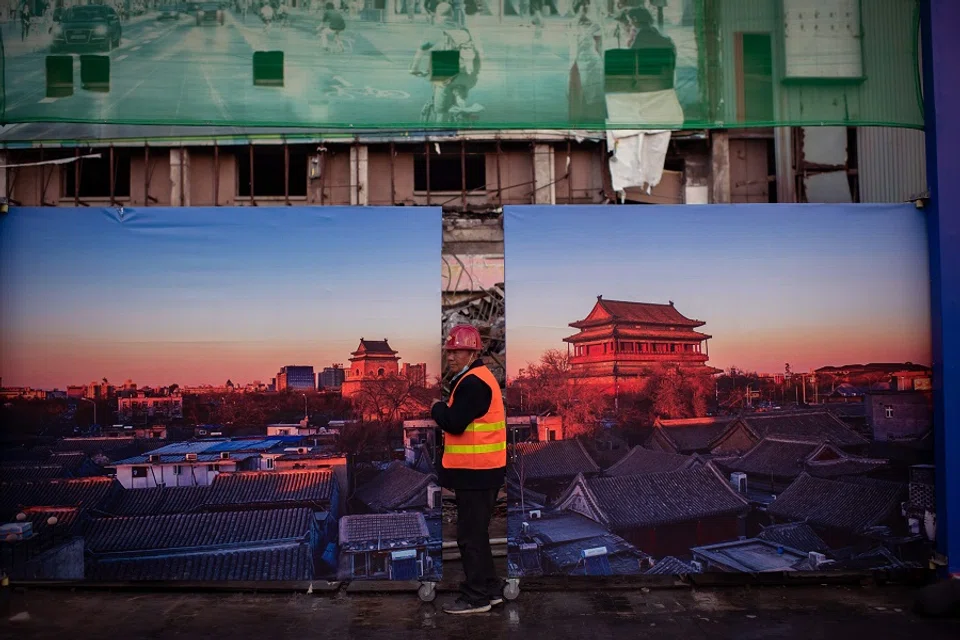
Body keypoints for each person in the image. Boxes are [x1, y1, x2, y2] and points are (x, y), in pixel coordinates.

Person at [431, 324, 506, 615]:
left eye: (457, 350)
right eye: (449, 350)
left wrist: (437, 408)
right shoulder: (479, 378)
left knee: (469, 537)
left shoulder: (473, 383)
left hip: (476, 473)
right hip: (483, 472)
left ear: (473, 351)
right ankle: (489, 588)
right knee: (478, 534)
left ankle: (476, 597)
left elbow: (453, 422)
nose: (451, 356)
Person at [568, 0, 604, 124]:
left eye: (587, 5)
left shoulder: (595, 25)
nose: (585, 8)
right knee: (575, 93)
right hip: (575, 62)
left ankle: (592, 123)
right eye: (582, 6)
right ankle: (577, 122)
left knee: (592, 96)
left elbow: (599, 47)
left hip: (592, 63)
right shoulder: (572, 24)